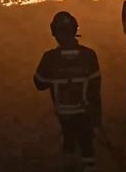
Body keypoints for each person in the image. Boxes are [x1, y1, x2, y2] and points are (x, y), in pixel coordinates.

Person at [34, 11, 102, 172]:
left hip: (64, 112)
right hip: (85, 111)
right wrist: (97, 118)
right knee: (86, 144)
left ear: (54, 33)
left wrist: (56, 75)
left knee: (69, 141)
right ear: (75, 30)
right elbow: (95, 89)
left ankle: (69, 166)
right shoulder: (89, 55)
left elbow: (39, 83)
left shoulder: (49, 58)